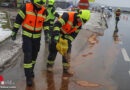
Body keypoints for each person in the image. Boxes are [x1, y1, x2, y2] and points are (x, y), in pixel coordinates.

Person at [11, 0, 47, 86]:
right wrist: (14, 31)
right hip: (27, 37)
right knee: (28, 55)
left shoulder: (44, 10)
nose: (39, 6)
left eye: (41, 5)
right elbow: (18, 20)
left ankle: (31, 70)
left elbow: (46, 24)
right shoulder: (26, 7)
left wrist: (48, 34)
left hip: (37, 38)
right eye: (38, 4)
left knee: (34, 55)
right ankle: (28, 77)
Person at [46, 10, 91, 76]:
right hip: (57, 33)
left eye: (82, 21)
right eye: (80, 19)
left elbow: (73, 35)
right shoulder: (67, 16)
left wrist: (68, 41)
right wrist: (56, 36)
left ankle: (66, 69)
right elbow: (57, 25)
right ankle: (49, 66)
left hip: (66, 37)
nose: (80, 22)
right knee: (53, 51)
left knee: (67, 53)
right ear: (79, 15)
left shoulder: (79, 25)